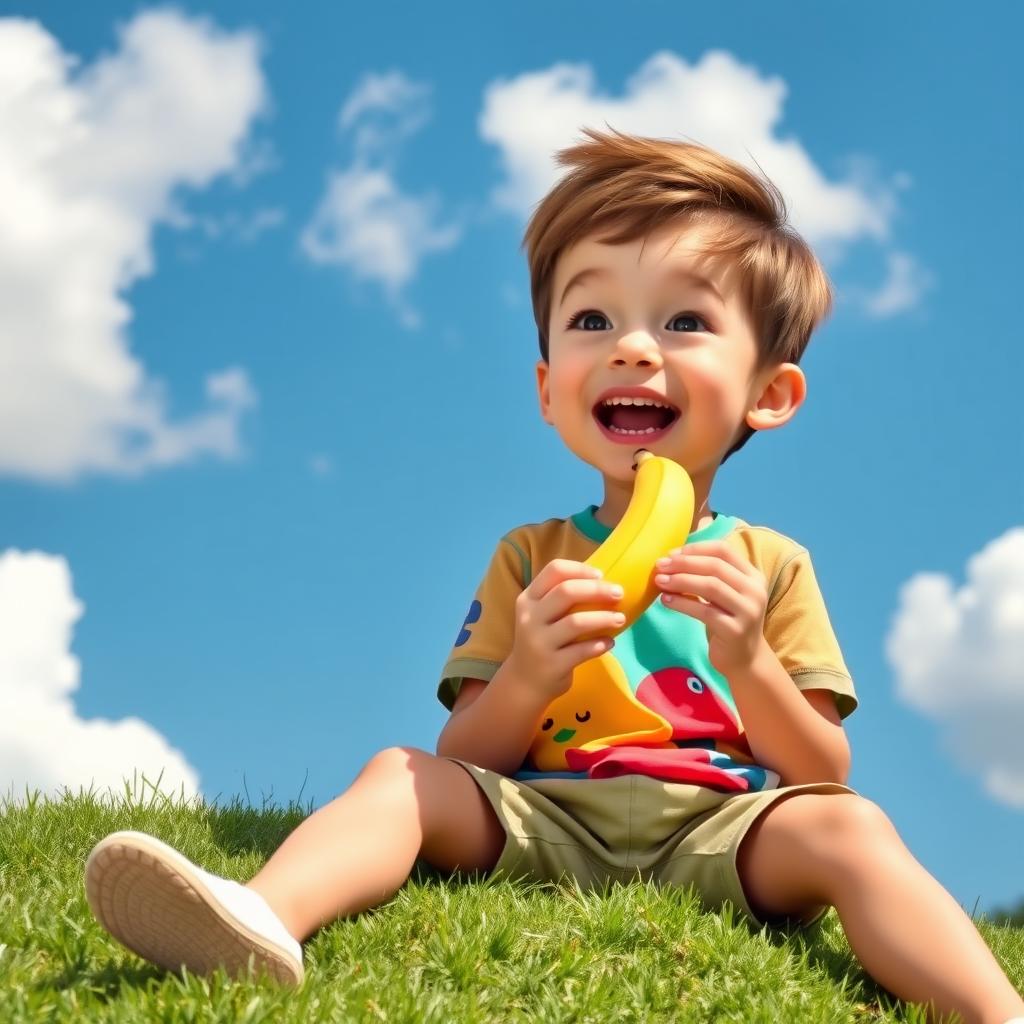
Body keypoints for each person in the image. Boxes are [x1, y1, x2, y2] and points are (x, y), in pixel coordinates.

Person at [84, 127, 1024, 1024]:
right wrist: (530, 669)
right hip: (541, 818)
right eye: (592, 317)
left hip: (722, 831)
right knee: (400, 773)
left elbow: (823, 771)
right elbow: (468, 759)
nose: (632, 346)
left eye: (686, 320)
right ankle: (259, 918)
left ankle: (996, 1007)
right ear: (547, 389)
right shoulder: (530, 556)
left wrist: (749, 663)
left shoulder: (770, 564)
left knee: (852, 830)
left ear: (768, 394)